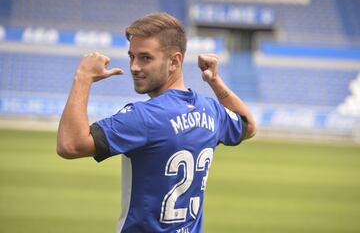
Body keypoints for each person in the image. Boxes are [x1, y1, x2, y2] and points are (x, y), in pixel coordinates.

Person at [57, 12, 256, 233]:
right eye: (132, 56)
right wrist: (215, 80)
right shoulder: (210, 110)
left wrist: (83, 78)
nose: (134, 66)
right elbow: (247, 126)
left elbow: (70, 145)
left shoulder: (144, 116)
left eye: (145, 58)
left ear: (174, 61)